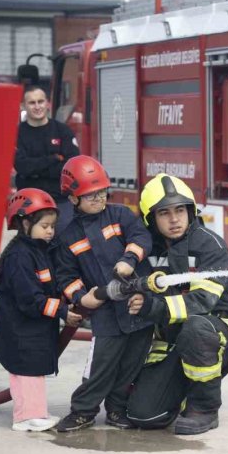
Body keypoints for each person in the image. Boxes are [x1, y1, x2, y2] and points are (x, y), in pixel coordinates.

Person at [125, 174, 228, 435]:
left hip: (216, 329)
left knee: (196, 328)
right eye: (164, 213)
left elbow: (201, 302)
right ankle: (180, 389)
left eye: (180, 210)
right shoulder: (146, 251)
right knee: (144, 415)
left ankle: (204, 407)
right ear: (150, 219)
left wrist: (153, 307)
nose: (174, 219)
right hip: (169, 337)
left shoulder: (210, 246)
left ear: (190, 211)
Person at [53, 155, 155, 432]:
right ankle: (83, 411)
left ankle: (117, 410)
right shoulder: (68, 236)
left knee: (131, 363)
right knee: (102, 365)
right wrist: (80, 297)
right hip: (106, 310)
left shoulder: (120, 215)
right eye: (90, 195)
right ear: (73, 199)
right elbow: (64, 275)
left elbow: (142, 237)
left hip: (138, 305)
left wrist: (129, 259)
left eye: (102, 192)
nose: (99, 198)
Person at [0, 189, 82, 431]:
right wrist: (62, 311)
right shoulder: (20, 256)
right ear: (25, 223)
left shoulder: (39, 249)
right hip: (22, 330)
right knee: (28, 371)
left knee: (28, 372)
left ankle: (30, 413)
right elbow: (30, 299)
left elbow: (50, 282)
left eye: (52, 225)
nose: (51, 231)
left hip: (32, 330)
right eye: (45, 226)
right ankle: (27, 416)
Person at [13, 84, 80, 234]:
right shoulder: (16, 134)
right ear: (23, 106)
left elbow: (70, 167)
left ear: (48, 103)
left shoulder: (62, 131)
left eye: (40, 101)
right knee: (30, 250)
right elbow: (23, 167)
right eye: (32, 103)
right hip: (29, 202)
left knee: (66, 247)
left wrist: (35, 170)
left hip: (60, 201)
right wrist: (53, 159)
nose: (37, 106)